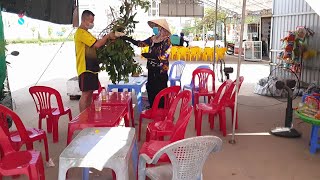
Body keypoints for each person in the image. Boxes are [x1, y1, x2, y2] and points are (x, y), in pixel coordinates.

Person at [121, 19, 171, 108]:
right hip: (151, 68)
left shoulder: (167, 41)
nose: (160, 30)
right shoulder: (153, 39)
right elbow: (140, 43)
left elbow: (164, 56)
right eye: (159, 29)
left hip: (161, 70)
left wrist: (152, 56)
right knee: (150, 87)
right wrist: (128, 39)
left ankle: (162, 108)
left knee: (160, 88)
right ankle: (153, 106)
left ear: (165, 30)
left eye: (162, 29)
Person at [74, 10, 116, 112]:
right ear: (84, 20)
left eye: (93, 21)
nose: (92, 23)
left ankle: (87, 114)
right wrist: (107, 36)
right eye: (90, 21)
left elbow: (97, 44)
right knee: (85, 94)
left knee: (90, 93)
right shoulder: (80, 33)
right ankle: (83, 118)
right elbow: (97, 44)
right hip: (85, 68)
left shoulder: (87, 33)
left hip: (91, 68)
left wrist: (107, 40)